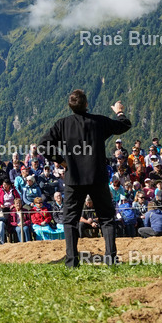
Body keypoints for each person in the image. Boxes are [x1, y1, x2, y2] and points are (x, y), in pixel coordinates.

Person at [37, 89, 131, 267]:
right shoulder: (98, 121)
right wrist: (119, 112)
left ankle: (72, 261)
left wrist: (61, 161)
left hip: (74, 179)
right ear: (87, 104)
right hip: (97, 177)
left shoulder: (62, 124)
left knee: (70, 220)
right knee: (106, 218)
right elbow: (124, 125)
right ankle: (111, 258)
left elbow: (42, 146)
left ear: (70, 106)